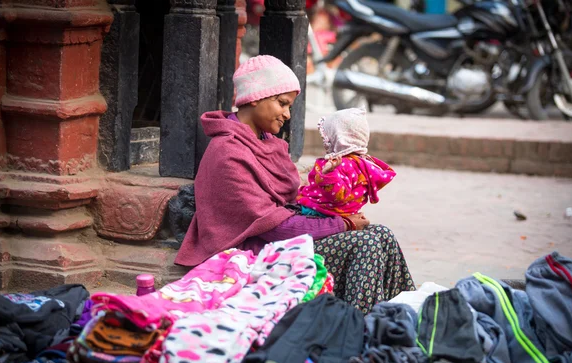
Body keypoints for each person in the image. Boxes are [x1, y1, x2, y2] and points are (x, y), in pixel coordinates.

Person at [174, 55, 415, 314]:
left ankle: (401, 320)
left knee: (382, 235)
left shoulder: (264, 142)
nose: (287, 114)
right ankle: (357, 328)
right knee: (364, 244)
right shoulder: (228, 152)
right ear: (255, 97)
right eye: (282, 103)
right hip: (252, 254)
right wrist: (342, 223)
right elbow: (274, 228)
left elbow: (291, 203)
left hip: (281, 238)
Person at [297, 107, 396, 229]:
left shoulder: (340, 165)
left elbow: (336, 196)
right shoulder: (364, 164)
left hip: (322, 213)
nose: (325, 141)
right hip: (348, 213)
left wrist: (328, 175)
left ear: (339, 138)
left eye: (327, 138)